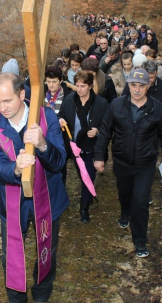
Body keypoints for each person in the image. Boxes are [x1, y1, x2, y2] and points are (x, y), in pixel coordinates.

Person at [0, 73, 69, 303]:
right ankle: (16, 298)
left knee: (47, 251)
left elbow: (59, 163)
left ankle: (41, 295)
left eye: (7, 100)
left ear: (21, 94)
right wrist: (15, 170)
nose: (2, 107)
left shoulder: (46, 117)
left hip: (48, 199)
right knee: (11, 259)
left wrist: (42, 145)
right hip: (13, 204)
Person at [93, 68, 162, 258]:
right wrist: (99, 156)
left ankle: (139, 239)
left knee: (141, 201)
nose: (137, 90)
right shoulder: (116, 106)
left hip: (145, 163)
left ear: (148, 86)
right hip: (121, 161)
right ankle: (125, 212)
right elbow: (105, 132)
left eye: (141, 86)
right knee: (125, 192)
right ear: (128, 85)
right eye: (133, 85)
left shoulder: (157, 108)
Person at [57, 70, 108, 223]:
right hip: (75, 148)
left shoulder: (101, 103)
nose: (79, 89)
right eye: (77, 86)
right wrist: (60, 120)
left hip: (92, 147)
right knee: (82, 174)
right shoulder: (69, 101)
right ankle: (88, 194)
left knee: (88, 176)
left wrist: (97, 130)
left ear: (91, 86)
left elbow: (107, 126)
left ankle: (84, 207)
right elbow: (62, 114)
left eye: (83, 86)